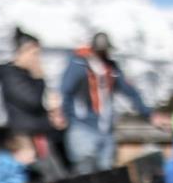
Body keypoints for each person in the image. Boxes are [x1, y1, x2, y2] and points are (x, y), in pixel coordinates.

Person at [60, 32, 150, 174]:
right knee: (84, 171)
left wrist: (148, 113)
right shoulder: (78, 64)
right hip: (82, 127)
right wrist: (67, 116)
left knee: (106, 173)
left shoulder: (111, 68)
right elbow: (65, 91)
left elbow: (129, 91)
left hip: (106, 129)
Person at [0, 28, 66, 179]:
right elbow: (32, 101)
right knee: (44, 180)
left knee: (55, 177)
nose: (37, 59)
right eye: (34, 54)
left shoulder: (26, 75)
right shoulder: (11, 76)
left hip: (39, 135)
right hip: (25, 139)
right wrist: (39, 77)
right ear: (22, 52)